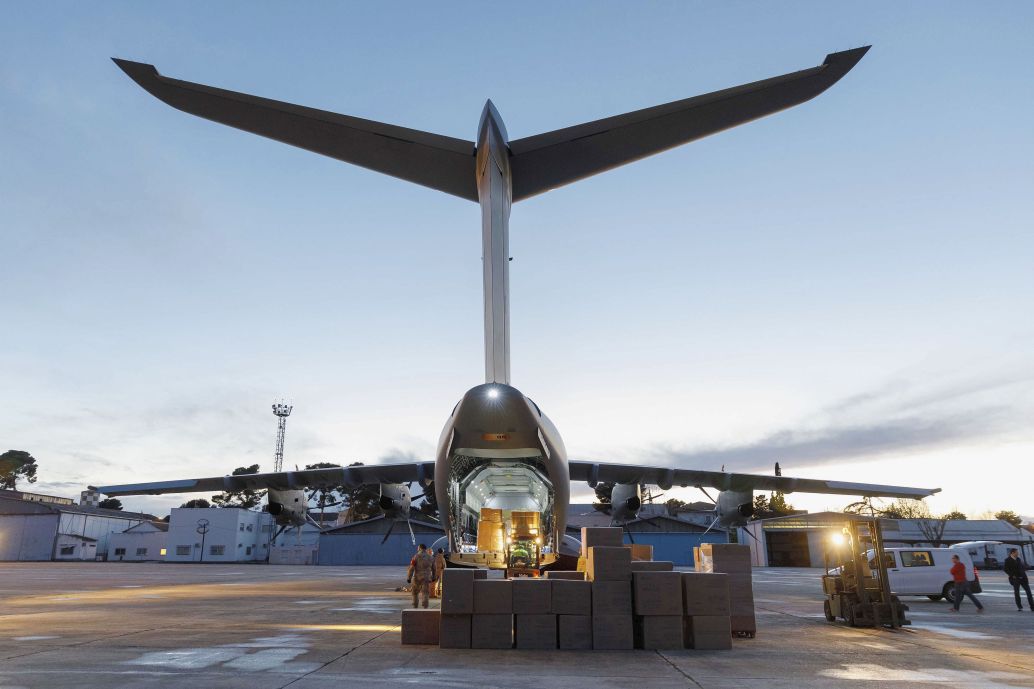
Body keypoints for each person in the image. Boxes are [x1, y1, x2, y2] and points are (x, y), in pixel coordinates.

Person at [406, 543, 435, 609]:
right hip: (426, 578)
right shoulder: (431, 557)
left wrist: (409, 577)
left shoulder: (416, 556)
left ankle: (415, 606)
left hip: (417, 578)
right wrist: (434, 577)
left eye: (418, 548)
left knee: (415, 593)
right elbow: (434, 568)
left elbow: (412, 568)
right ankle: (425, 607)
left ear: (419, 548)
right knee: (425, 593)